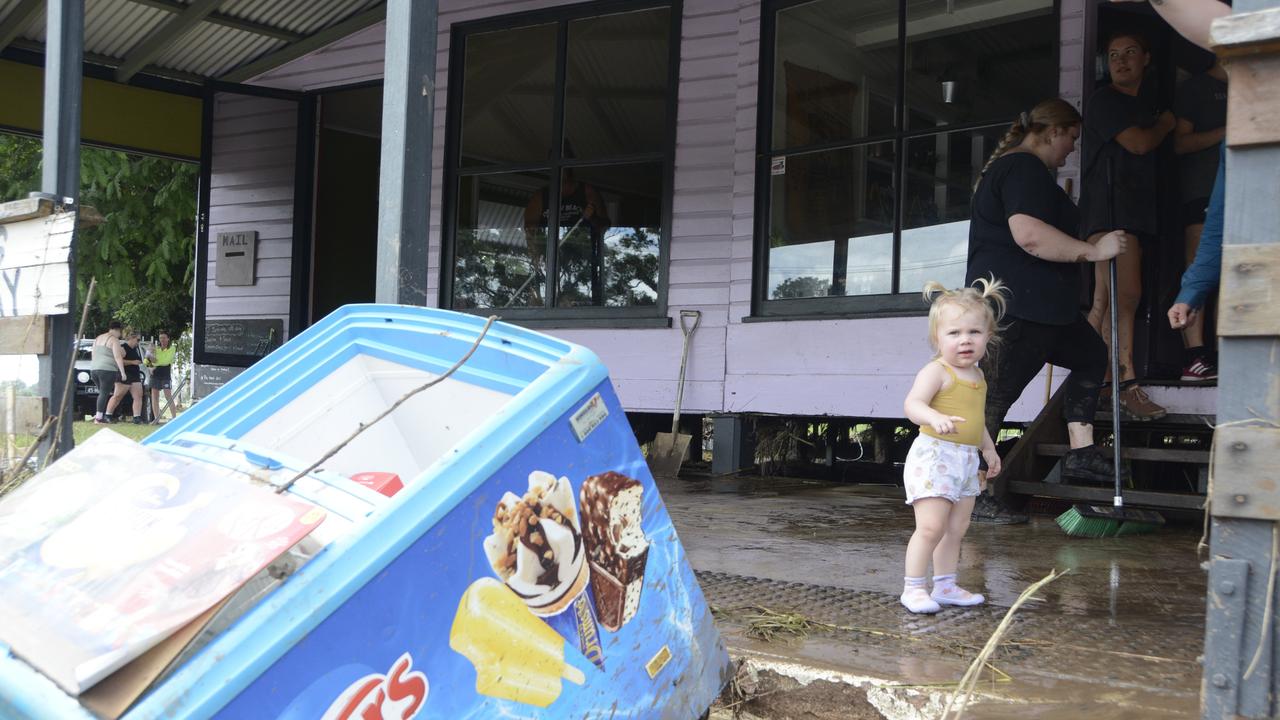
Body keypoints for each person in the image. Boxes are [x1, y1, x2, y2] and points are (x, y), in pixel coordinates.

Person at [965, 99, 1130, 523]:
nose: (1072, 148)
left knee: (1092, 356)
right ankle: (976, 494)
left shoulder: (1026, 173)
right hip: (1020, 306)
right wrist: (1094, 251)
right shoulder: (1022, 169)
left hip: (1047, 308)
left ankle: (1081, 453)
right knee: (994, 400)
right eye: (1071, 137)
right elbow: (1030, 236)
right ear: (1052, 131)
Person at [1079, 32, 1176, 421]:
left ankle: (1096, 381)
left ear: (1146, 58)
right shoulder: (1105, 100)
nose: (1120, 61)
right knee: (1125, 296)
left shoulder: (1144, 104)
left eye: (1130, 52)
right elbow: (1138, 144)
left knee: (1105, 300)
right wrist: (1166, 125)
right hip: (1110, 212)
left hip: (1130, 212)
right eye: (1114, 55)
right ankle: (1126, 385)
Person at [900, 278, 1007, 614]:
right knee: (931, 526)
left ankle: (944, 585)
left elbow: (976, 422)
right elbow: (912, 405)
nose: (965, 340)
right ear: (938, 338)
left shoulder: (977, 376)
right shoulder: (938, 371)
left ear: (988, 338)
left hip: (964, 459)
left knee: (957, 528)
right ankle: (914, 588)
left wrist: (988, 448)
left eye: (974, 333)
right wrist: (933, 416)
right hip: (934, 456)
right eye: (954, 333)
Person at [1172, 58, 1227, 381]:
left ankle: (1223, 356)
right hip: (1203, 190)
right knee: (1202, 268)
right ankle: (1195, 357)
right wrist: (1228, 133)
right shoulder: (1196, 87)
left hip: (1244, 197)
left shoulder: (1252, 82)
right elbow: (1180, 142)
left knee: (1232, 276)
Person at [522, 168, 610, 307]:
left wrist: (592, 217)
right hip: (549, 261)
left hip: (582, 260)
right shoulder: (540, 197)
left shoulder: (586, 192)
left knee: (574, 300)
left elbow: (604, 226)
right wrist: (535, 256)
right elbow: (530, 231)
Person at [90, 321, 127, 424]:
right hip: (107, 369)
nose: (120, 335)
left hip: (94, 369)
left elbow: (93, 354)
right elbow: (117, 356)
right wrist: (122, 373)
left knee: (101, 393)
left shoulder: (97, 338)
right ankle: (98, 418)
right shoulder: (114, 339)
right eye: (120, 332)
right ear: (117, 330)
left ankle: (99, 415)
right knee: (104, 393)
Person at [146, 331, 182, 423]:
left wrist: (154, 361)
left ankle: (174, 418)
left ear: (168, 339)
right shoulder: (156, 349)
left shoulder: (172, 348)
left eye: (164, 337)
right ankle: (156, 419)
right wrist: (150, 366)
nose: (162, 340)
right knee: (154, 396)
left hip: (165, 374)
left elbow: (166, 360)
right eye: (161, 338)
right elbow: (146, 360)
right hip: (155, 375)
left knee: (168, 396)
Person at [118, 331, 146, 424]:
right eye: (137, 340)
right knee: (118, 396)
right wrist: (132, 362)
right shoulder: (123, 348)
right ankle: (108, 414)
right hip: (126, 375)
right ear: (131, 338)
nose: (138, 342)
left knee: (138, 396)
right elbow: (119, 361)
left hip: (135, 375)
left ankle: (136, 417)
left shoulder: (135, 349)